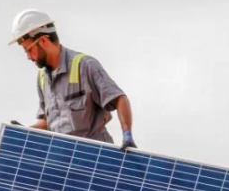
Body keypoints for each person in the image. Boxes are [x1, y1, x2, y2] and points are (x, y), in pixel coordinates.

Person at [8, 9, 137, 150]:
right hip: (64, 158)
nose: (28, 57)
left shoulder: (85, 65)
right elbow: (47, 121)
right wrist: (26, 132)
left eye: (29, 50)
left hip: (96, 156)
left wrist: (127, 135)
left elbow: (119, 99)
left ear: (44, 41)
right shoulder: (42, 78)